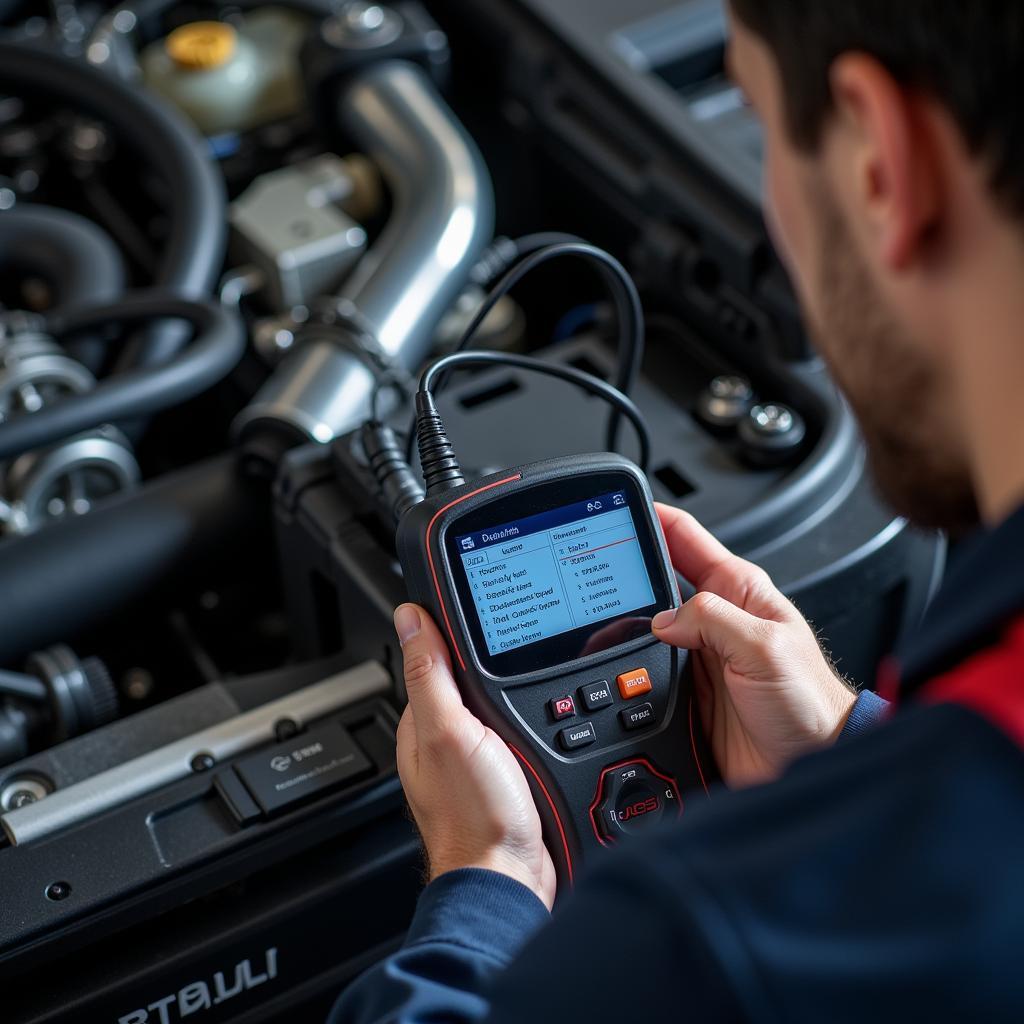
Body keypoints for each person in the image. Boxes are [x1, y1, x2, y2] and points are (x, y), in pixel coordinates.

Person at [330, 2, 1024, 1020]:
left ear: (881, 156)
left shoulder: (706, 943)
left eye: (754, 119)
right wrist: (843, 746)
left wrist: (489, 875)